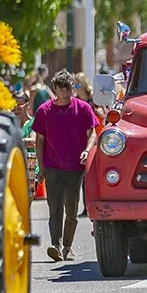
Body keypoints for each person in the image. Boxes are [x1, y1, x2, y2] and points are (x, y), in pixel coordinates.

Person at [32, 70, 99, 262]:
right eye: (61, 90)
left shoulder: (83, 108)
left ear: (73, 88)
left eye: (68, 89)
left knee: (71, 210)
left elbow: (93, 133)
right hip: (53, 166)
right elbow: (39, 140)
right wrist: (41, 167)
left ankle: (68, 247)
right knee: (55, 208)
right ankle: (56, 245)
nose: (65, 94)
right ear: (54, 89)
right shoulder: (44, 111)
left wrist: (87, 150)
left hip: (75, 167)